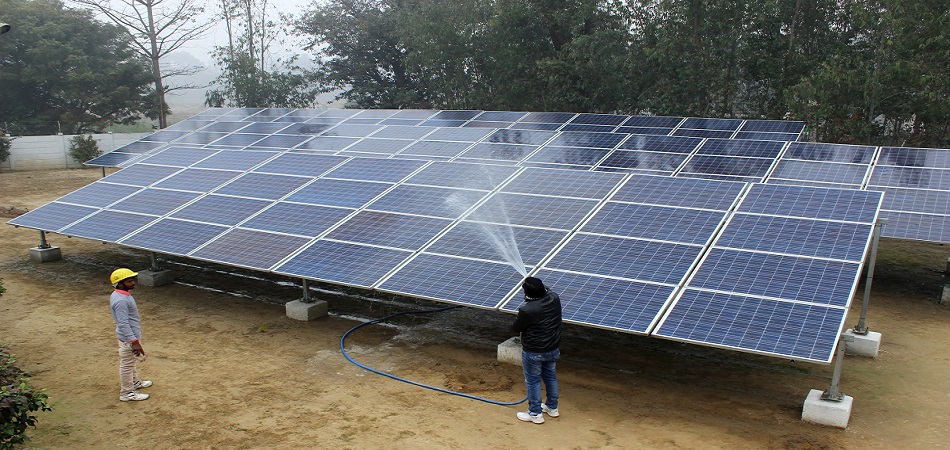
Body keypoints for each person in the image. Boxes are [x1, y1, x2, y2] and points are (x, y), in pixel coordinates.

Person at [510, 276, 562, 424]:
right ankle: (552, 408)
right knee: (550, 377)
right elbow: (548, 290)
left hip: (533, 351)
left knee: (533, 381)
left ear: (527, 293)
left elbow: (515, 328)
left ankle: (535, 414)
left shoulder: (527, 310)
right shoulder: (554, 298)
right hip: (552, 348)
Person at [109, 268, 152, 402]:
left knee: (130, 362)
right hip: (129, 339)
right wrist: (134, 341)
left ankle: (134, 382)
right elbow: (123, 323)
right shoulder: (121, 301)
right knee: (127, 365)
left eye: (132, 280)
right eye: (129, 281)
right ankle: (127, 393)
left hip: (130, 337)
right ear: (119, 284)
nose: (133, 283)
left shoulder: (122, 295)